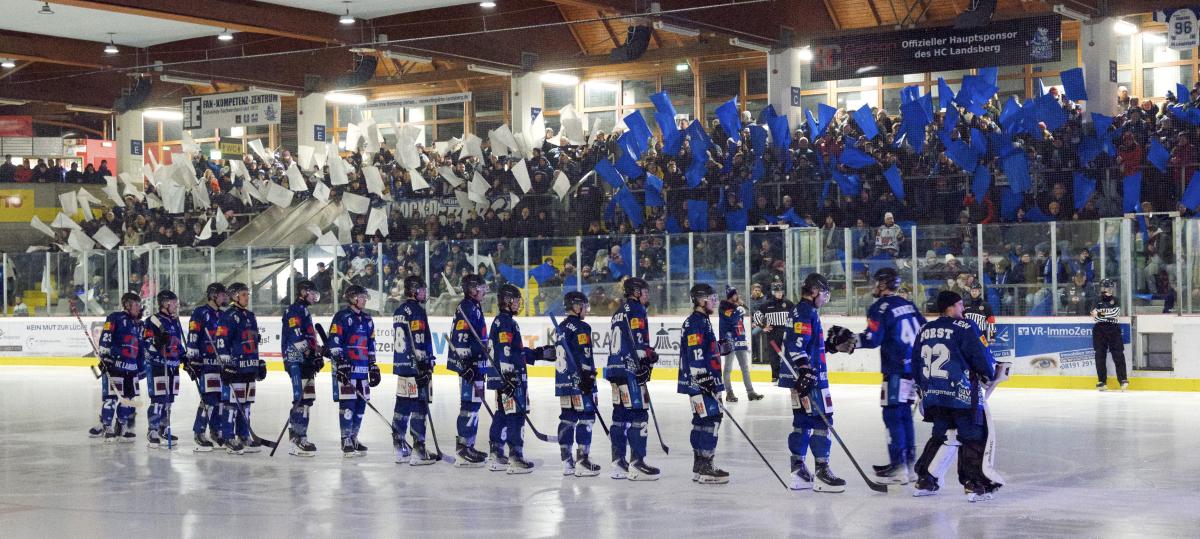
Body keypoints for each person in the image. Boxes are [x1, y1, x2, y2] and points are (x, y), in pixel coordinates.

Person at [835, 267, 926, 484]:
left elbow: (872, 338)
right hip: (914, 369)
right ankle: (909, 465)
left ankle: (898, 466)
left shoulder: (880, 308)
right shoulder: (908, 304)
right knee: (904, 415)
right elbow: (924, 329)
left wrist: (851, 340)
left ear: (883, 284)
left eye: (876, 282)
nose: (874, 286)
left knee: (893, 415)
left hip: (895, 370)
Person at [911, 290, 1000, 502]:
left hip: (934, 395)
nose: (963, 309)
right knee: (973, 435)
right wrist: (990, 374)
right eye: (960, 305)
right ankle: (974, 484)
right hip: (961, 395)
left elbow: (915, 363)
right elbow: (981, 357)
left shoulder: (924, 329)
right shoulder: (965, 327)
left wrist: (925, 390)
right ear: (950, 307)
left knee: (942, 435)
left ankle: (925, 479)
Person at [781, 273, 846, 492]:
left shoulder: (802, 311)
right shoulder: (805, 311)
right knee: (822, 421)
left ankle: (798, 470)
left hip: (800, 378)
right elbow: (797, 345)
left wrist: (830, 345)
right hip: (811, 379)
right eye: (824, 294)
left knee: (801, 422)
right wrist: (806, 371)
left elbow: (806, 344)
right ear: (815, 291)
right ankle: (821, 471)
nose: (825, 299)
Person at [487, 284, 555, 474]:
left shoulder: (501, 320)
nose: (519, 303)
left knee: (502, 412)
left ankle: (496, 452)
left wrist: (538, 354)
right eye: (516, 300)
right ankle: (516, 457)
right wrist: (509, 375)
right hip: (511, 377)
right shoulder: (506, 322)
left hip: (502, 376)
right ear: (508, 301)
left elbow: (514, 352)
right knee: (516, 415)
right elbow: (506, 350)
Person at [605, 277, 660, 480]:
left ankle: (618, 463)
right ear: (636, 292)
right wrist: (648, 358)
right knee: (638, 414)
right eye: (645, 291)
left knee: (620, 415)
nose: (647, 295)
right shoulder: (637, 310)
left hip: (614, 369)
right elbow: (638, 344)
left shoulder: (618, 312)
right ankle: (637, 462)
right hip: (630, 370)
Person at [677, 283, 731, 484]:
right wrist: (703, 377)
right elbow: (694, 351)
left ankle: (700, 465)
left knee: (701, 420)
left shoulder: (702, 321)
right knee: (711, 419)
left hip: (700, 381)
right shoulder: (695, 322)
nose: (715, 301)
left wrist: (718, 348)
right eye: (711, 297)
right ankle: (706, 465)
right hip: (703, 381)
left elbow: (702, 348)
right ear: (700, 300)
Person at [328, 284, 379, 457]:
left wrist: (373, 365)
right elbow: (334, 341)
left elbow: (371, 345)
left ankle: (354, 437)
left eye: (365, 297)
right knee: (348, 404)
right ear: (352, 298)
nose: (365, 300)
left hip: (363, 369)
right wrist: (340, 362)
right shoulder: (341, 317)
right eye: (362, 296)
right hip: (347, 369)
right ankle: (345, 439)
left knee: (361, 404)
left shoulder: (368, 319)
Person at [555, 291, 602, 477]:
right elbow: (585, 355)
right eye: (584, 305)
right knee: (586, 417)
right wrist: (588, 378)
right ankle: (583, 460)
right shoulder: (582, 327)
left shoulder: (560, 326)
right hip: (579, 381)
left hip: (563, 382)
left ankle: (567, 462)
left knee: (567, 417)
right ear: (576, 306)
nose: (586, 309)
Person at [392, 275, 438, 466]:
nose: (424, 293)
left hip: (402, 366)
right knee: (420, 406)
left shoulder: (399, 310)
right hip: (416, 367)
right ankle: (418, 449)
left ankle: (400, 447)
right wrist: (425, 365)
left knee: (402, 406)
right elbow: (418, 339)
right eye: (422, 289)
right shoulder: (417, 311)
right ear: (413, 290)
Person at [215, 282, 266, 455]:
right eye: (244, 294)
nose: (247, 297)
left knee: (246, 404)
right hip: (235, 367)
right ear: (235, 296)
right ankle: (229, 437)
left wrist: (257, 363)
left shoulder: (250, 316)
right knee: (231, 404)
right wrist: (225, 363)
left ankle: (243, 435)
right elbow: (221, 341)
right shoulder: (227, 316)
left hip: (249, 367)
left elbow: (253, 342)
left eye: (247, 294)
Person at [446, 274, 489, 466]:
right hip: (470, 365)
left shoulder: (474, 306)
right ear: (471, 289)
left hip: (477, 363)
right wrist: (466, 364)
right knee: (469, 406)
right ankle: (463, 448)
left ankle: (468, 445)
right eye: (481, 287)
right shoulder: (466, 307)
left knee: (474, 405)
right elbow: (460, 336)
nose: (484, 290)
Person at [93, 292, 145, 443]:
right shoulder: (115, 317)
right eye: (135, 304)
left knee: (128, 400)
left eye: (139, 304)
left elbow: (141, 348)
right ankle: (106, 426)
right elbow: (106, 336)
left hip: (132, 368)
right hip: (116, 366)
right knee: (111, 398)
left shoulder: (139, 325)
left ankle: (121, 425)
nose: (138, 307)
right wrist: (105, 355)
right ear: (127, 305)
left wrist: (141, 368)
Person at [184, 283, 227, 451]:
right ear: (213, 295)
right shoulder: (200, 312)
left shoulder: (224, 313)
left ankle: (217, 431)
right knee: (209, 400)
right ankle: (199, 432)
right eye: (222, 295)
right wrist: (193, 358)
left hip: (221, 364)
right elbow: (193, 334)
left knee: (222, 400)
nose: (225, 297)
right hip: (206, 362)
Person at [281, 280, 322, 456]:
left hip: (305, 360)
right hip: (295, 360)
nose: (314, 296)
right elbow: (296, 336)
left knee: (307, 399)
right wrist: (310, 353)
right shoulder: (294, 310)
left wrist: (319, 351)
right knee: (300, 398)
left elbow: (309, 336)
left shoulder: (304, 310)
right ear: (303, 292)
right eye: (312, 292)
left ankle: (300, 436)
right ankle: (296, 439)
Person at [142, 290, 184, 449]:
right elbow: (145, 342)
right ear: (165, 303)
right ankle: (152, 430)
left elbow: (178, 343)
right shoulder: (152, 320)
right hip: (158, 365)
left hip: (173, 365)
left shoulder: (175, 321)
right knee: (158, 401)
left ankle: (163, 429)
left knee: (168, 401)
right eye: (173, 303)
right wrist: (157, 341)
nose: (176, 306)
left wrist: (184, 356)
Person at [719, 286, 761, 402]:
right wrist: (738, 308)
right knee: (728, 368)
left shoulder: (738, 307)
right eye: (736, 294)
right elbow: (732, 318)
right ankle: (729, 393)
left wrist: (738, 307)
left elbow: (739, 322)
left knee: (745, 367)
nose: (738, 296)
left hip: (740, 339)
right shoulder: (723, 307)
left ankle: (751, 392)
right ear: (731, 296)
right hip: (728, 341)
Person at [1090, 279, 1127, 391]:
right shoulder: (1096, 300)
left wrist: (1101, 313)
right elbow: (1094, 315)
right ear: (1102, 288)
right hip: (1099, 329)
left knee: (1118, 354)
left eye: (1110, 287)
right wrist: (1107, 314)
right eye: (1106, 287)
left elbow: (1115, 314)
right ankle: (1101, 381)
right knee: (1100, 355)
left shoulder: (1116, 299)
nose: (1109, 289)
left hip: (1113, 329)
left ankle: (1123, 380)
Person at [753, 280, 793, 382]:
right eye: (777, 291)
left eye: (781, 291)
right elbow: (757, 315)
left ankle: (788, 374)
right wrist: (763, 326)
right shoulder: (767, 304)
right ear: (773, 292)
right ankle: (775, 376)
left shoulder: (788, 303)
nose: (779, 293)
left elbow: (795, 316)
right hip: (773, 332)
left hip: (786, 331)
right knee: (774, 354)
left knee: (787, 353)